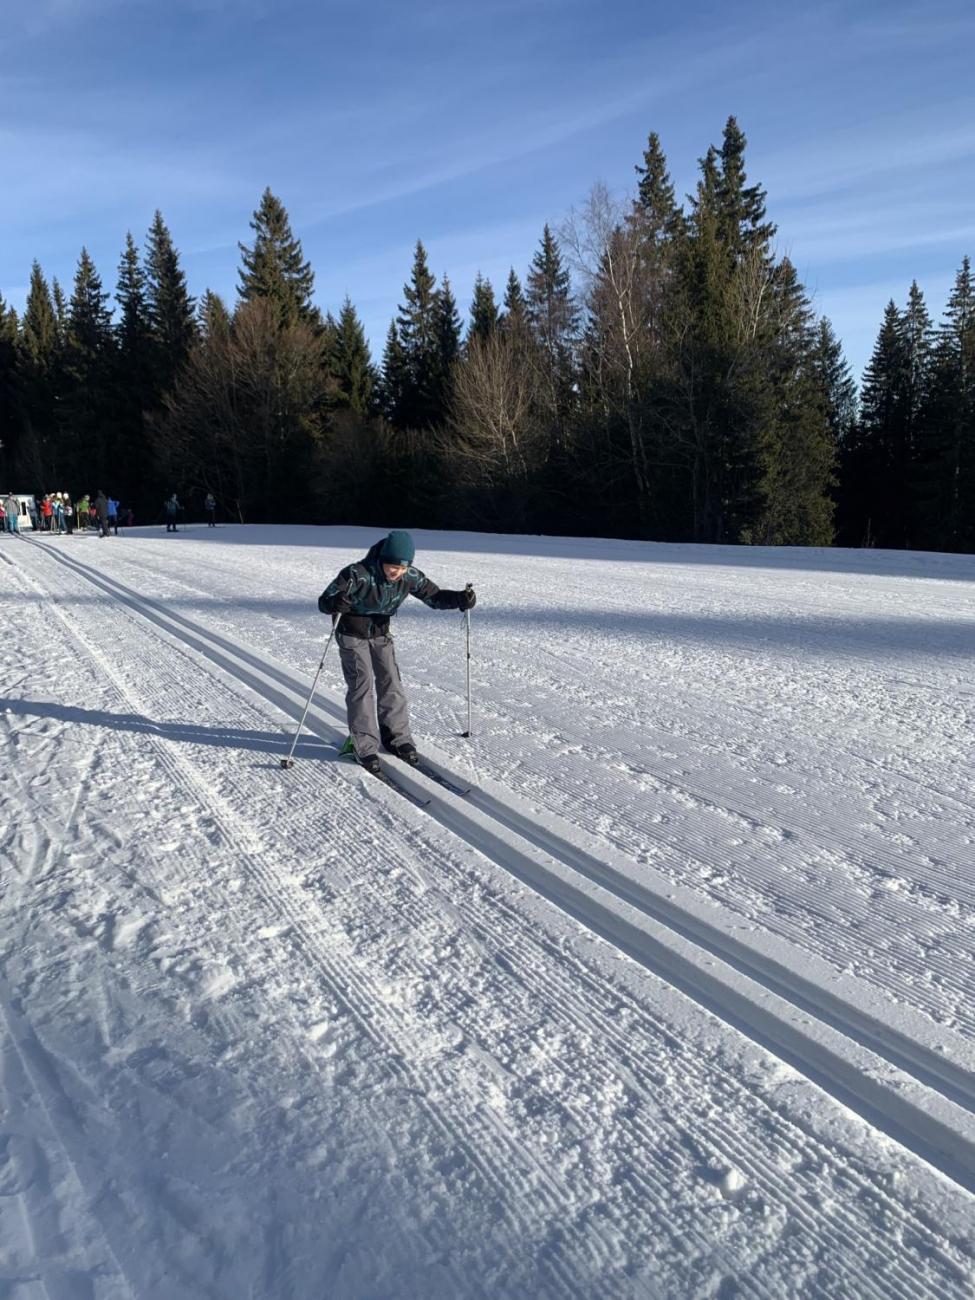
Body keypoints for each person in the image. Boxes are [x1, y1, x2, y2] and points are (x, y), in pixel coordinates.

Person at [318, 530, 476, 775]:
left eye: (402, 568)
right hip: (351, 633)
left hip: (381, 633)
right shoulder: (357, 574)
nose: (397, 573)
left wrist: (459, 599)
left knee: (391, 683)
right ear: (382, 559)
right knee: (362, 685)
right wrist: (335, 603)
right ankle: (365, 745)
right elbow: (324, 600)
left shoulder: (409, 576)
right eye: (393, 567)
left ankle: (397, 738)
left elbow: (434, 596)